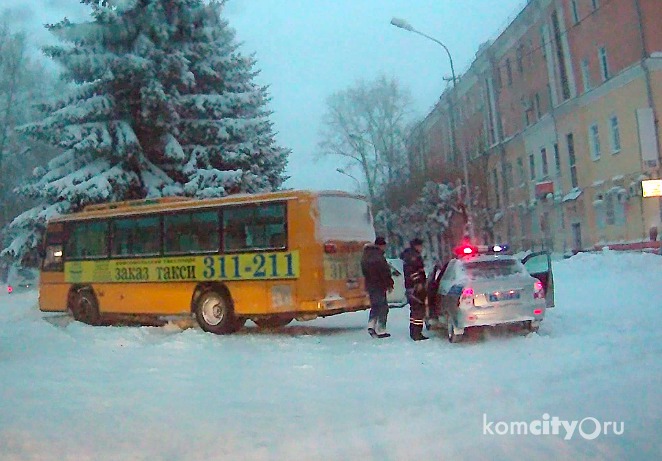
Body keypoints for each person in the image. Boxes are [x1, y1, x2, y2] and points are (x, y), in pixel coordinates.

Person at [361, 236, 394, 339]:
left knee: (375, 306)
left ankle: (371, 325)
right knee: (383, 307)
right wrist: (389, 283)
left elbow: (364, 271)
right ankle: (381, 329)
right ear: (381, 246)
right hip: (380, 285)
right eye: (384, 246)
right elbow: (384, 272)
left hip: (370, 284)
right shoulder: (379, 257)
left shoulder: (366, 256)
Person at [401, 238, 429, 340]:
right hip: (415, 288)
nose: (421, 248)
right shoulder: (414, 257)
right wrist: (418, 283)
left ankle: (414, 332)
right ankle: (417, 333)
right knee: (418, 309)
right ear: (416, 246)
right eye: (420, 246)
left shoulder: (409, 256)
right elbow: (414, 272)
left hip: (411, 287)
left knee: (414, 310)